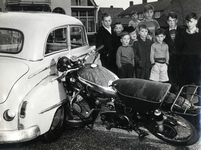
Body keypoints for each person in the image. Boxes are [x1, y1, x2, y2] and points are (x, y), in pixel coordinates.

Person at [164, 12, 185, 93]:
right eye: (170, 21)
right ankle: (173, 99)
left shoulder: (183, 30)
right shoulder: (164, 32)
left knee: (182, 79)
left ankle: (183, 98)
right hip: (170, 59)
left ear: (176, 21)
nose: (172, 23)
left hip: (181, 59)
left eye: (173, 20)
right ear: (167, 21)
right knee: (171, 79)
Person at [180, 12, 201, 87]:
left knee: (199, 83)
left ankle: (200, 99)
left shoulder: (200, 34)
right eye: (187, 22)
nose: (189, 24)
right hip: (185, 61)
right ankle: (184, 99)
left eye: (191, 21)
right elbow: (180, 48)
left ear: (196, 21)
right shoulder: (182, 34)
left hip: (197, 62)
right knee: (184, 84)